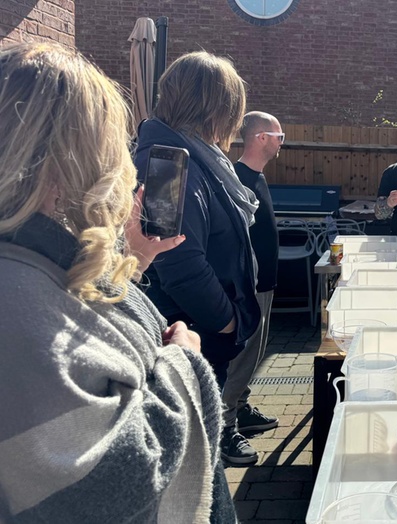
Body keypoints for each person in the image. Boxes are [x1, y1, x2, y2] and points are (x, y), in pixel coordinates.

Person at [0, 42, 233, 522]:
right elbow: (106, 483)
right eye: (109, 138)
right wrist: (184, 364)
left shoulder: (31, 245)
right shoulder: (13, 303)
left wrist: (139, 259)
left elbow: (80, 315)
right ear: (68, 152)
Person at [134, 52, 261, 396]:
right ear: (215, 106)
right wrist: (227, 323)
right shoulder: (166, 165)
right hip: (189, 340)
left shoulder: (190, 153)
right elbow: (179, 265)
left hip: (198, 334)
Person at [215, 111, 283, 464]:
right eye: (278, 135)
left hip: (265, 284)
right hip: (248, 287)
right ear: (260, 138)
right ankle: (223, 429)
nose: (282, 142)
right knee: (241, 358)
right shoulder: (236, 180)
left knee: (254, 355)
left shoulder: (257, 177)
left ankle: (240, 408)